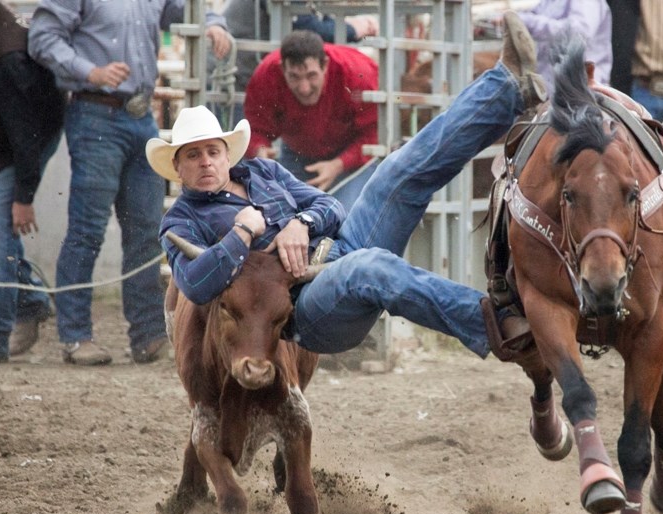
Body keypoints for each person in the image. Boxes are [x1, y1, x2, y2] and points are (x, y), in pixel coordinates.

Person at [150, 12, 545, 361]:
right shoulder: (181, 221)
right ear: (178, 167)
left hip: (338, 245)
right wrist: (242, 232)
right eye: (193, 155)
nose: (205, 161)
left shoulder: (261, 173)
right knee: (367, 268)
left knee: (397, 171)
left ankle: (505, 88)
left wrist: (300, 222)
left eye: (212, 151)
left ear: (226, 154)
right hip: (306, 306)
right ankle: (497, 325)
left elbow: (331, 208)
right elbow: (198, 285)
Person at [28, 0, 231, 366]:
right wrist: (91, 71)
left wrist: (213, 22)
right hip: (94, 110)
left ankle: (147, 335)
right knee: (88, 229)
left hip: (137, 114)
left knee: (147, 229)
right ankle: (76, 335)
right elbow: (43, 37)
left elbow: (186, 8)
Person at [0, 0, 64, 363]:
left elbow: (25, 136)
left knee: (0, 234)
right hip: (10, 139)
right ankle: (31, 300)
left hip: (20, 143)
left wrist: (24, 195)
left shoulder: (10, 59)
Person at [243, 30, 379, 210]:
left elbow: (374, 133)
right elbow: (255, 127)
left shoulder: (358, 74)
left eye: (311, 76)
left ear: (325, 66)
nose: (304, 88)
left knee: (347, 215)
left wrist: (340, 164)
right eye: (294, 77)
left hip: (353, 157)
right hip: (298, 152)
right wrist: (259, 151)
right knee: (282, 213)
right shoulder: (267, 74)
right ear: (282, 68)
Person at [208, 0, 378, 128]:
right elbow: (305, 28)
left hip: (243, 72)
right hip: (231, 76)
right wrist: (352, 29)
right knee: (238, 149)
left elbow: (308, 20)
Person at [479, 0, 611, 97]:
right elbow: (529, 18)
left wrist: (524, 21)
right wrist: (490, 25)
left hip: (580, 92)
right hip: (551, 90)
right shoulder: (548, 3)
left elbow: (579, 33)